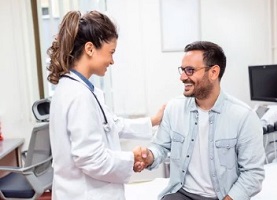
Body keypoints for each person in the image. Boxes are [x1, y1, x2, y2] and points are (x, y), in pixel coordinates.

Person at [47, 10, 164, 200]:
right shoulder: (79, 96)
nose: (112, 60)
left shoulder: (77, 88)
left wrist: (154, 121)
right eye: (111, 52)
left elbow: (111, 124)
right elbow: (91, 159)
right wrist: (131, 158)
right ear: (90, 49)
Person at [139, 41, 265, 200]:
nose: (182, 77)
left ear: (213, 73)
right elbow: (160, 147)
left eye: (190, 70)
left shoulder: (244, 117)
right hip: (181, 193)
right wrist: (148, 157)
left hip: (222, 197)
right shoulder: (174, 108)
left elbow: (253, 174)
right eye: (183, 70)